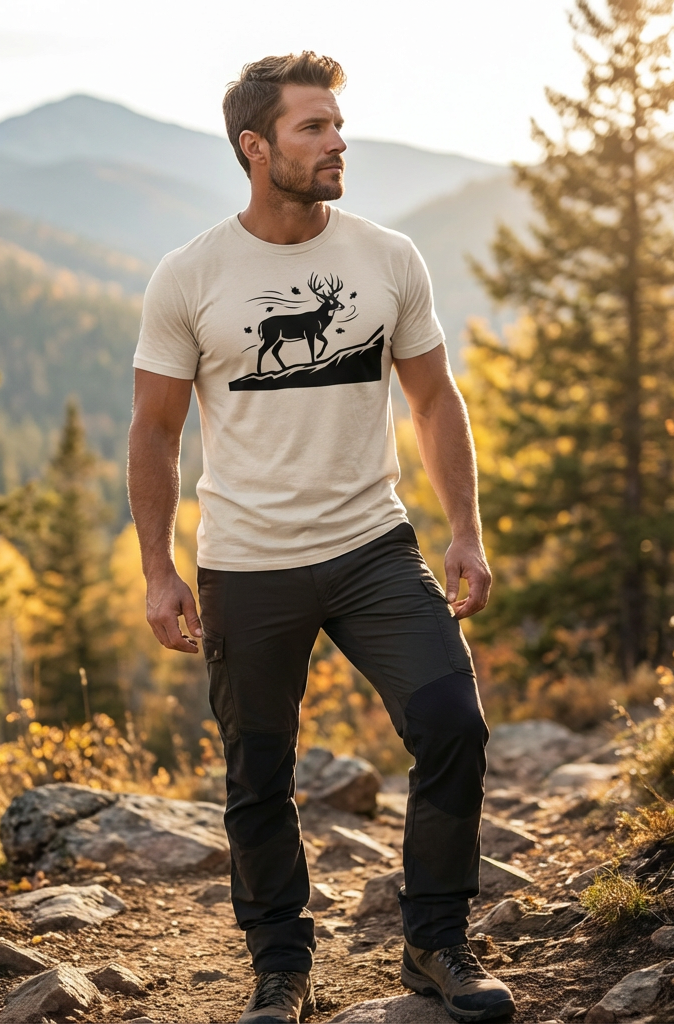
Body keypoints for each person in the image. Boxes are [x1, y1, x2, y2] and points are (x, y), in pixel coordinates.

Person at [127, 51, 515, 1024]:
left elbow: (432, 399)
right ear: (255, 147)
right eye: (313, 128)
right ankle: (280, 967)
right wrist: (157, 570)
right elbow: (154, 430)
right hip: (246, 567)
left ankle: (433, 943)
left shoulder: (386, 257)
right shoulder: (192, 274)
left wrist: (464, 531)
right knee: (258, 770)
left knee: (452, 725)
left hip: (373, 547)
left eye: (337, 124)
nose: (337, 141)